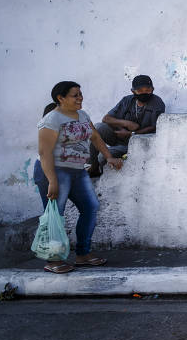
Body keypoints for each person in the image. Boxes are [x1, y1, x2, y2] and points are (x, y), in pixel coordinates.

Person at [34, 81, 123, 273]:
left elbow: (96, 137)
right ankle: (53, 260)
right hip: (54, 170)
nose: (80, 98)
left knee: (90, 207)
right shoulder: (51, 120)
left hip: (77, 171)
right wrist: (52, 180)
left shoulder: (82, 115)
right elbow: (44, 153)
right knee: (55, 215)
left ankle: (83, 255)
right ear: (61, 98)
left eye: (80, 94)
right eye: (75, 95)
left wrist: (109, 157)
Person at [88, 74, 165, 176]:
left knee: (103, 157)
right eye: (140, 90)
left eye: (148, 89)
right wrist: (126, 123)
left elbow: (154, 127)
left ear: (153, 89)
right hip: (119, 136)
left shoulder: (157, 103)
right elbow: (106, 119)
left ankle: (101, 168)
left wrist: (131, 133)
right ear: (133, 91)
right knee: (97, 128)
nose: (144, 93)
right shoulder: (127, 100)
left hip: (135, 144)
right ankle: (94, 167)